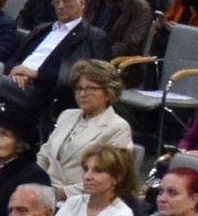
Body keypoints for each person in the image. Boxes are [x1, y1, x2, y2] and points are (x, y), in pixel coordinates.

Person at [33, 60, 133, 195]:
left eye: (91, 89)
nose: (82, 94)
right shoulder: (67, 115)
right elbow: (44, 156)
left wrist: (61, 193)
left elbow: (110, 177)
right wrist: (34, 182)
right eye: (79, 88)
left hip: (82, 198)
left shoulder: (118, 127)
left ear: (109, 93)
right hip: (44, 191)